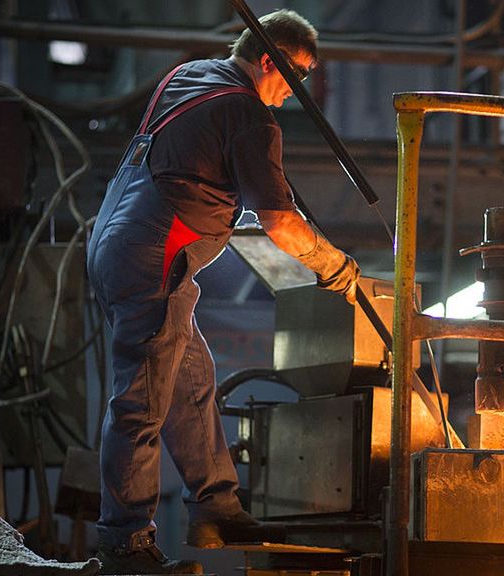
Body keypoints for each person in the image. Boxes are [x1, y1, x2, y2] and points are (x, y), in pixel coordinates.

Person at [86, 9, 359, 575]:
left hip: (118, 244)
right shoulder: (249, 114)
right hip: (154, 258)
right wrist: (335, 266)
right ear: (269, 60)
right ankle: (124, 545)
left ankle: (216, 507)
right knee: (140, 402)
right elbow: (279, 221)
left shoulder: (186, 75)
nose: (295, 91)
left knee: (192, 384)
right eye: (297, 75)